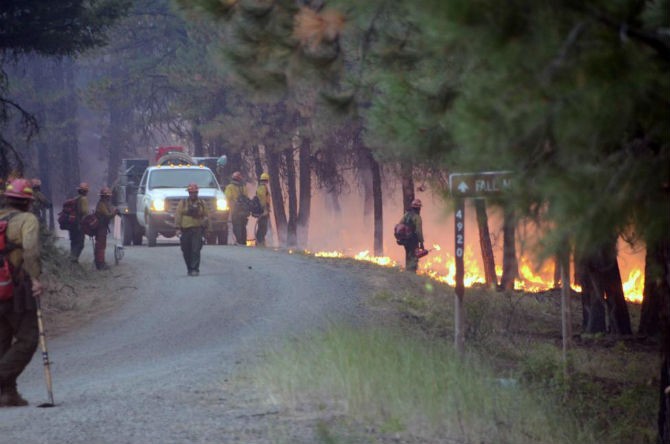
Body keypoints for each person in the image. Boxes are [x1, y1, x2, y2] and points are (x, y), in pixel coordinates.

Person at [0, 178, 43, 407]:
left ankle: (7, 395)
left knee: (2, 341)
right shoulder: (27, 220)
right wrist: (35, 278)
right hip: (16, 288)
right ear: (28, 202)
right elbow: (31, 250)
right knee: (28, 338)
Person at [175, 183, 209, 276]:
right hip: (185, 230)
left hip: (197, 229)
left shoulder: (202, 203)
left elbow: (207, 216)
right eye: (191, 192)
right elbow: (178, 215)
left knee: (196, 250)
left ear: (197, 193)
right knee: (186, 250)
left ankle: (195, 269)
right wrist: (177, 228)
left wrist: (207, 230)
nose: (193, 194)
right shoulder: (183, 203)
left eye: (194, 192)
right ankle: (189, 268)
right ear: (189, 193)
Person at [94, 186, 119, 270]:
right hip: (101, 228)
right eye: (108, 196)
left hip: (102, 227)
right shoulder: (101, 204)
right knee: (101, 246)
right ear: (105, 196)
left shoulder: (103, 203)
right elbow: (107, 215)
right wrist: (114, 213)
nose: (109, 198)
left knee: (101, 245)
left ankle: (100, 262)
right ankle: (100, 264)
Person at [224, 171, 249, 246]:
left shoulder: (229, 187)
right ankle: (244, 241)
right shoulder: (243, 187)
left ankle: (239, 241)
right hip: (244, 210)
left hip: (235, 210)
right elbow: (246, 197)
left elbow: (227, 197)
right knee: (243, 226)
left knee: (236, 225)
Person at [401, 198, 425, 273]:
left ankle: (408, 271)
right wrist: (421, 243)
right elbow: (419, 231)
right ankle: (412, 272)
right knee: (414, 257)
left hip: (405, 240)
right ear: (418, 208)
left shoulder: (406, 215)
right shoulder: (417, 217)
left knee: (408, 255)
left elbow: (400, 224)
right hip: (413, 241)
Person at [68, 182, 89, 263]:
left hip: (72, 224)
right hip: (79, 225)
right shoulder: (84, 199)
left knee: (73, 242)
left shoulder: (75, 198)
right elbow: (85, 212)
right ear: (85, 191)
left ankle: (71, 259)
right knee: (80, 243)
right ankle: (74, 260)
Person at [255, 172, 271, 247]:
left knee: (263, 227)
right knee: (263, 227)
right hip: (262, 211)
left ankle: (261, 242)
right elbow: (263, 199)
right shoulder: (262, 188)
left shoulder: (262, 187)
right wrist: (264, 210)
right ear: (266, 180)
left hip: (263, 210)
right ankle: (260, 242)